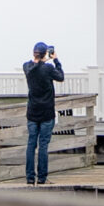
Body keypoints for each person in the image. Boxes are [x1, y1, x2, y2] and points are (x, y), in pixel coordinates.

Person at [21, 43, 65, 184]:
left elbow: (34, 67)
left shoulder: (27, 67)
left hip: (32, 112)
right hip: (47, 112)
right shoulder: (48, 68)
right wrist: (56, 60)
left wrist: (43, 60)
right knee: (43, 145)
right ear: (45, 53)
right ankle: (41, 178)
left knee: (31, 144)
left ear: (34, 53)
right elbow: (61, 77)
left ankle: (29, 178)